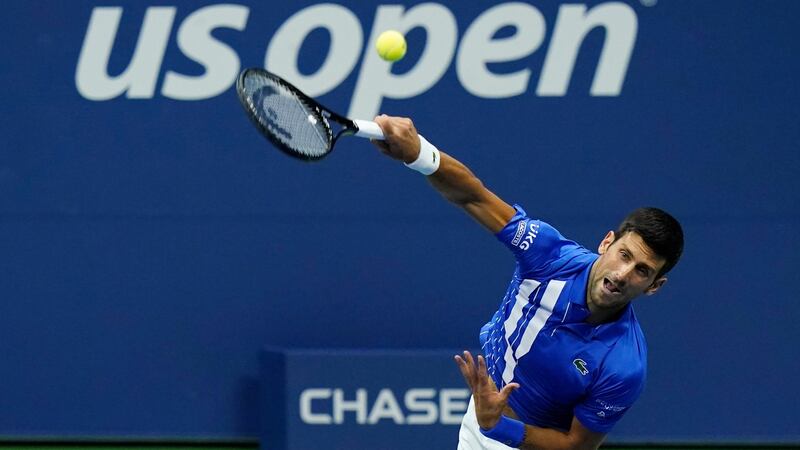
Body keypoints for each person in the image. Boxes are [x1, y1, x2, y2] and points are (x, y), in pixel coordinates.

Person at [370, 115, 684, 450]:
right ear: (607, 242)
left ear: (654, 286)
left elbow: (576, 446)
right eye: (624, 255)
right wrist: (418, 153)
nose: (623, 274)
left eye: (642, 270)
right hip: (484, 413)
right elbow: (473, 196)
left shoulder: (625, 365)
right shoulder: (548, 255)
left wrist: (498, 427)